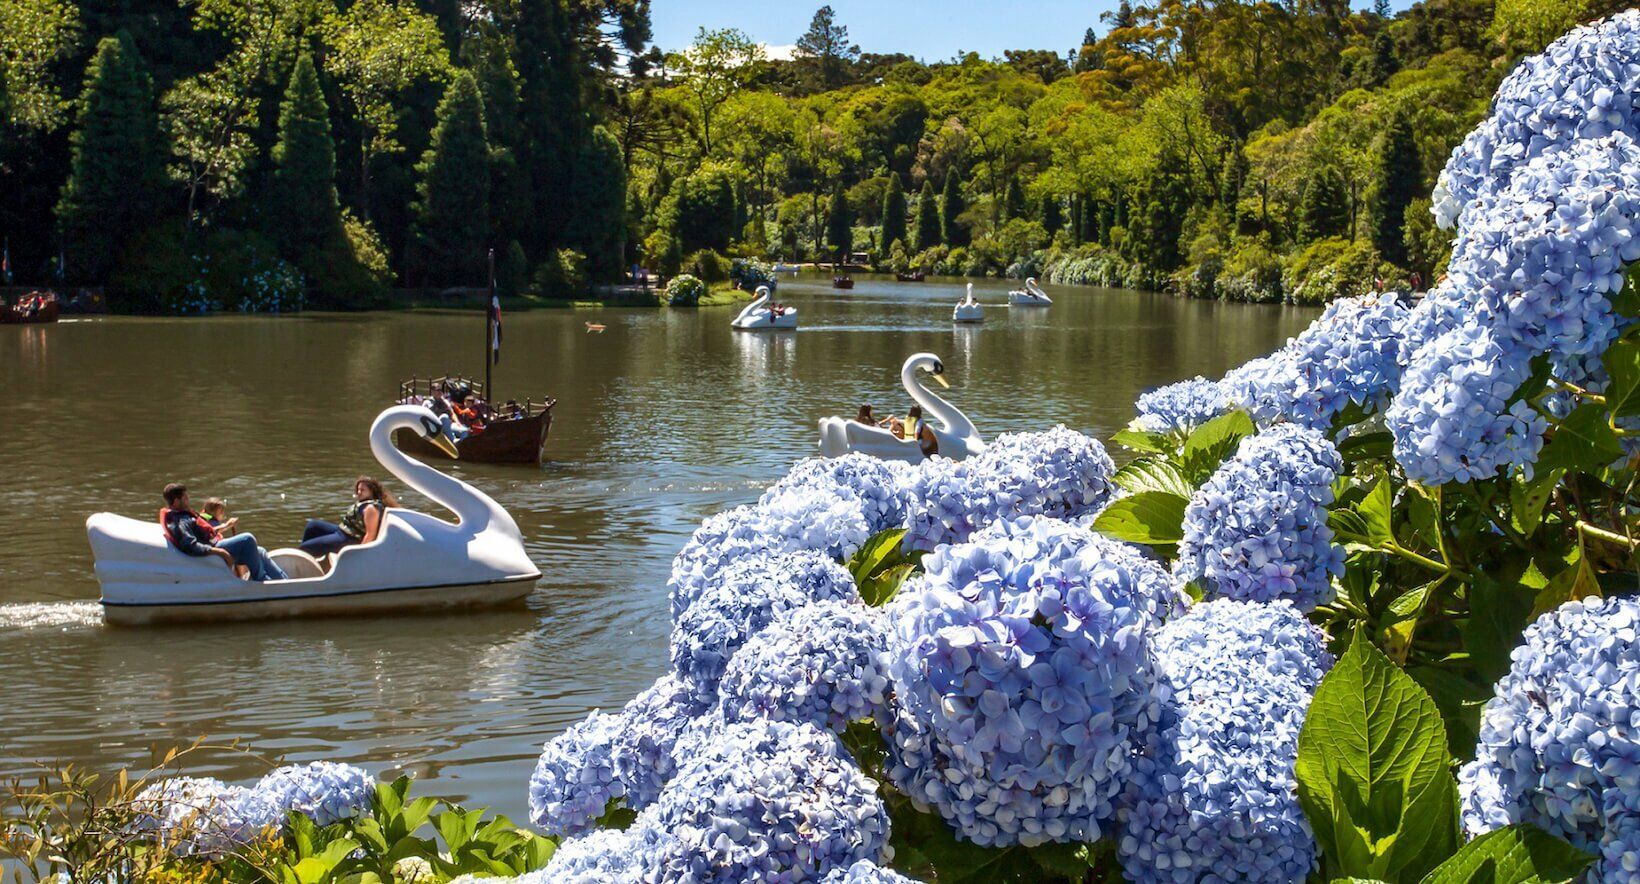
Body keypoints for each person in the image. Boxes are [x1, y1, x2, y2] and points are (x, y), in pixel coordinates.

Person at [161, 483, 286, 581]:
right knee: (248, 539)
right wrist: (220, 552)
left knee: (260, 551)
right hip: (213, 550)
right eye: (185, 498)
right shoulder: (180, 521)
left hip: (214, 543)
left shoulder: (184, 516)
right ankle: (262, 581)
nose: (188, 500)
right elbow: (190, 545)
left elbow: (205, 531)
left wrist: (225, 526)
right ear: (177, 501)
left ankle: (284, 582)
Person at [299, 477, 397, 560]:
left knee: (305, 548)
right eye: (358, 490)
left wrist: (360, 555)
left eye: (362, 490)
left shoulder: (371, 509)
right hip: (341, 531)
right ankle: (308, 561)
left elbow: (370, 535)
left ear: (371, 491)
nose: (359, 492)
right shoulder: (364, 503)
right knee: (312, 526)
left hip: (349, 539)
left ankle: (302, 559)